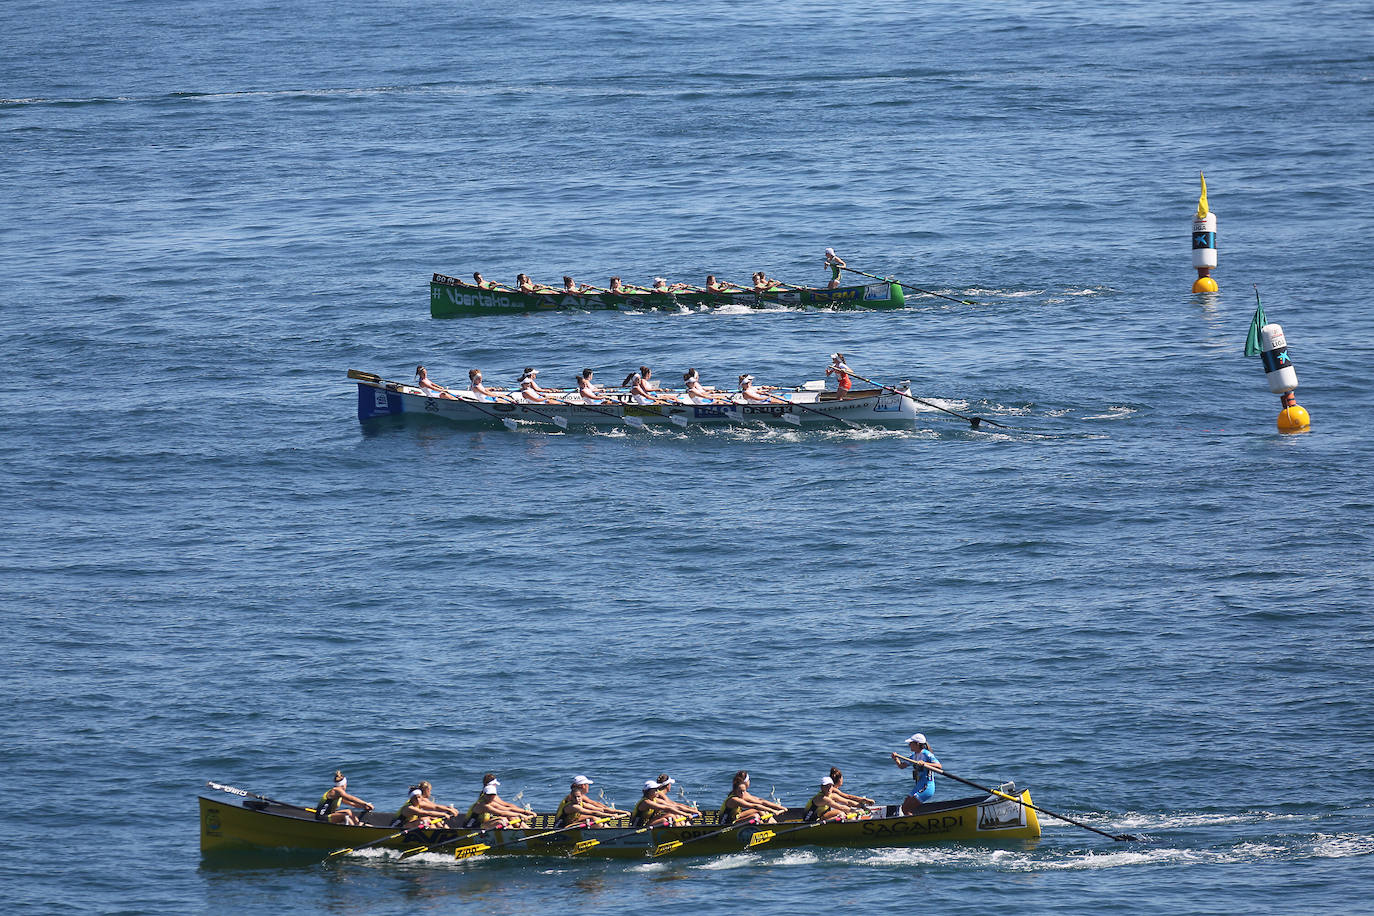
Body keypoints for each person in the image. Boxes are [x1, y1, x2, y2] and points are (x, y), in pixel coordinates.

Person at [892, 733, 942, 815]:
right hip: (918, 786)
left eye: (911, 743)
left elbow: (939, 766)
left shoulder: (927, 754)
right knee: (904, 808)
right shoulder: (913, 756)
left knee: (906, 808)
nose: (909, 745)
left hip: (927, 787)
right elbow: (901, 766)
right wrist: (896, 759)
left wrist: (925, 764)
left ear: (917, 744)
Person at [556, 775, 630, 828]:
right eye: (587, 784)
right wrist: (611, 814)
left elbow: (598, 807)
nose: (588, 786)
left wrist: (620, 811)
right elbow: (593, 809)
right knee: (594, 817)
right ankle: (609, 831)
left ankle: (608, 829)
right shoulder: (574, 801)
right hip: (563, 824)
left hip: (572, 818)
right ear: (583, 786)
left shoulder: (578, 797)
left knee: (597, 815)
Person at [719, 771, 789, 826]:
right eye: (741, 791)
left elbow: (760, 801)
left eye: (744, 791)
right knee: (755, 816)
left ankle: (774, 825)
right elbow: (755, 805)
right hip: (727, 823)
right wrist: (773, 811)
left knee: (762, 811)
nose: (743, 793)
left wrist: (779, 807)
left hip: (736, 816)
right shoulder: (734, 799)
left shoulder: (741, 793)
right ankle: (770, 827)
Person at [468, 778, 535, 829]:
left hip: (483, 823)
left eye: (493, 795)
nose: (491, 797)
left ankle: (528, 830)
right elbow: (502, 813)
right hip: (473, 827)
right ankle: (517, 835)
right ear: (484, 794)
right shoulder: (483, 805)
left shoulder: (490, 803)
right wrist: (521, 815)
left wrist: (526, 812)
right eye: (489, 795)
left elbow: (508, 809)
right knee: (502, 821)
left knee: (509, 816)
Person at [634, 776, 700, 827]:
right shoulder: (646, 802)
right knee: (664, 820)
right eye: (655, 790)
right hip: (638, 826)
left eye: (657, 790)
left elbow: (674, 806)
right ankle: (680, 832)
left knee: (672, 815)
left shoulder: (655, 800)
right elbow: (666, 808)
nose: (657, 792)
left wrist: (693, 811)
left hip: (648, 822)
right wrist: (686, 814)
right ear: (647, 792)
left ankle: (684, 828)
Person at [395, 781, 460, 829]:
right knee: (425, 819)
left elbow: (435, 807)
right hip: (399, 827)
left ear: (421, 797)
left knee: (432, 818)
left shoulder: (419, 803)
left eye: (419, 797)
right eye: (415, 798)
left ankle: (446, 832)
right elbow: (426, 813)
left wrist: (449, 809)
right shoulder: (409, 808)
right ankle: (437, 836)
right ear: (411, 799)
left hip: (411, 824)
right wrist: (443, 814)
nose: (417, 799)